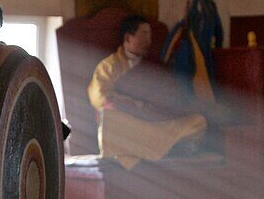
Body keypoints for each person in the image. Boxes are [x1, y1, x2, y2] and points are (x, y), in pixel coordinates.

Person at [87, 15, 207, 169]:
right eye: (144, 34)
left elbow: (170, 96)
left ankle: (161, 148)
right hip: (131, 124)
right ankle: (166, 148)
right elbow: (101, 98)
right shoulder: (108, 66)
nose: (148, 40)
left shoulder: (153, 64)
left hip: (156, 124)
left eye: (150, 35)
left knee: (198, 121)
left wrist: (161, 106)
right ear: (128, 38)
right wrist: (136, 104)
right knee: (110, 118)